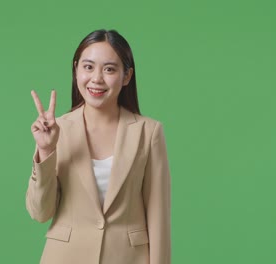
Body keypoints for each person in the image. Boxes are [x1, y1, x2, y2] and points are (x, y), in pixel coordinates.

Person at [26, 29, 171, 264]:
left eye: (110, 69)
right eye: (88, 67)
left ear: (126, 76)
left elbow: (158, 216)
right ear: (76, 70)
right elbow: (40, 213)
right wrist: (46, 151)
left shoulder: (149, 132)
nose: (97, 79)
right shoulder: (56, 130)